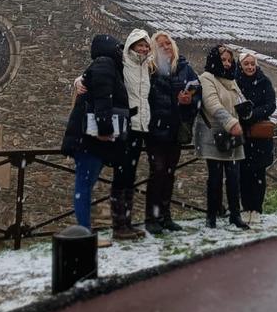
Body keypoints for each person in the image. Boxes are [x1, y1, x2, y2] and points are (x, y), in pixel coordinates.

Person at [61, 35, 129, 247]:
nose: (121, 52)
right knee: (84, 185)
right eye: (118, 48)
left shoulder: (105, 66)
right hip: (90, 139)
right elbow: (103, 99)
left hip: (88, 139)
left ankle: (85, 232)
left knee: (85, 184)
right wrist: (105, 129)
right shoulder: (105, 64)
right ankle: (85, 234)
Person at [144, 31, 200, 234]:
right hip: (155, 130)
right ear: (154, 48)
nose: (166, 47)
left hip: (175, 130)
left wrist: (189, 101)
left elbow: (197, 93)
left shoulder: (184, 68)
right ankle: (151, 217)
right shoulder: (149, 69)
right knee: (157, 172)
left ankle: (165, 217)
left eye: (168, 43)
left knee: (169, 174)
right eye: (161, 45)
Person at [194, 45, 249, 230]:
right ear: (214, 60)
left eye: (228, 60)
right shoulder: (207, 78)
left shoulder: (231, 80)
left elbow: (239, 100)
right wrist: (231, 123)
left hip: (232, 135)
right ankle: (212, 217)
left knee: (234, 177)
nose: (226, 64)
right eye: (223, 60)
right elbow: (212, 104)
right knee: (215, 178)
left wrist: (246, 110)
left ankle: (235, 215)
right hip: (215, 133)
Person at [111, 28, 152, 241]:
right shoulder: (122, 63)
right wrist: (79, 82)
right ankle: (118, 224)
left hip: (141, 128)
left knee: (131, 175)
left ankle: (127, 222)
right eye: (140, 45)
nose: (144, 48)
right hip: (126, 127)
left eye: (146, 45)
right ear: (131, 46)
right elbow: (98, 74)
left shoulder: (147, 67)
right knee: (122, 175)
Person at [236, 52, 276, 226]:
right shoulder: (235, 82)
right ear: (241, 65)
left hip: (259, 136)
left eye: (252, 64)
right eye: (246, 64)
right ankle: (246, 209)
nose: (250, 67)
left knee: (258, 174)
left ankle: (257, 209)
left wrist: (254, 114)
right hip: (242, 134)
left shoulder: (264, 81)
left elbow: (271, 105)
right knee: (243, 174)